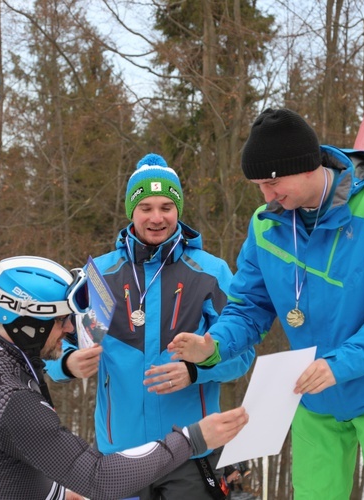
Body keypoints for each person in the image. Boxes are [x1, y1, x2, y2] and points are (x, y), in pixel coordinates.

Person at [168, 108, 364, 499]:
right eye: (258, 185)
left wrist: (340, 363)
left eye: (273, 183)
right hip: (314, 397)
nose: (266, 196)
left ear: (307, 166)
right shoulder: (267, 224)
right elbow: (248, 307)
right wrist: (214, 346)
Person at [0, 255, 248, 500]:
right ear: (29, 325)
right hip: (133, 455)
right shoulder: (13, 399)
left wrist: (57, 493)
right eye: (60, 320)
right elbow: (98, 479)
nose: (69, 329)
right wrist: (193, 438)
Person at [45, 153, 255, 500]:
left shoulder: (210, 273)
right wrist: (67, 363)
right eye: (146, 207)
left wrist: (195, 369)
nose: (157, 217)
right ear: (131, 211)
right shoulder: (101, 275)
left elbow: (242, 353)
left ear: (178, 211)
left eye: (166, 207)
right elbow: (56, 344)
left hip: (192, 449)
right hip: (120, 453)